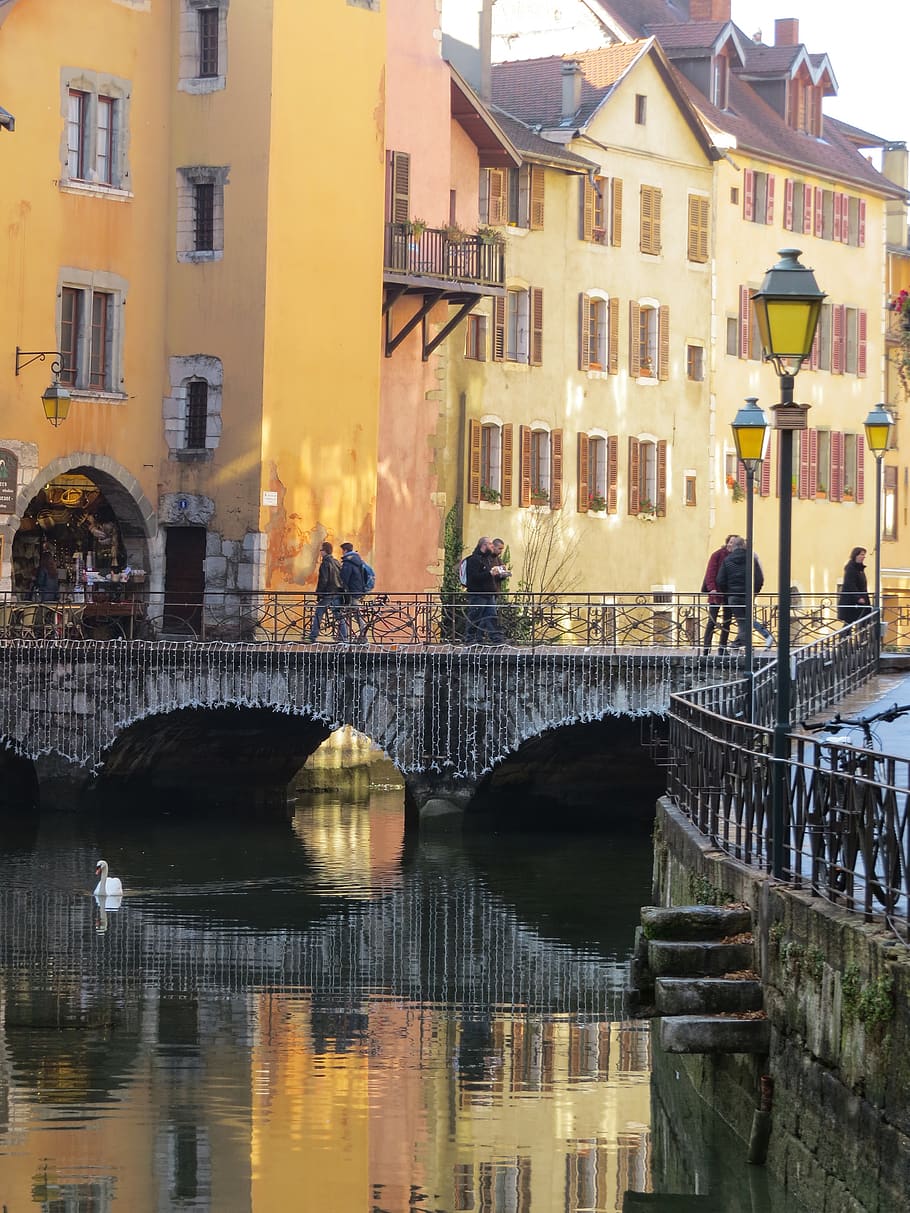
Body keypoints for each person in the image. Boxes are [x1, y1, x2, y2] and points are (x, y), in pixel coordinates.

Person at [717, 536, 774, 650]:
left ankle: (742, 642)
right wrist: (755, 591)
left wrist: (727, 591)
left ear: (734, 547)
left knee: (742, 619)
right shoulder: (751, 559)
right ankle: (744, 642)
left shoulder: (727, 560)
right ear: (743, 546)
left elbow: (720, 580)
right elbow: (759, 578)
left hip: (733, 596)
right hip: (747, 595)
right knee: (745, 618)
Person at [463, 537, 506, 644]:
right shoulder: (474, 559)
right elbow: (473, 577)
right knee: (475, 617)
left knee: (491, 617)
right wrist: (490, 573)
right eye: (491, 544)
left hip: (489, 594)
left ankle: (496, 639)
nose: (492, 546)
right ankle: (470, 639)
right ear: (484, 545)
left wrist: (500, 573)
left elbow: (492, 577)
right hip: (478, 594)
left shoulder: (488, 559)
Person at [701, 535, 735, 654]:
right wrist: (712, 589)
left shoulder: (736, 557)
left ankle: (722, 648)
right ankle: (706, 648)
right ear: (727, 543)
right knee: (712, 621)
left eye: (735, 543)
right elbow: (710, 573)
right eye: (731, 542)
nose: (732, 545)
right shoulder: (717, 555)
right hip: (716, 593)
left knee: (727, 621)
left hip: (729, 593)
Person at [308, 541, 348, 643]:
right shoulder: (336, 562)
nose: (320, 552)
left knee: (319, 612)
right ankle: (344, 637)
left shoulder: (325, 563)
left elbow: (323, 580)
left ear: (324, 551)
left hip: (328, 593)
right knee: (338, 615)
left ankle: (313, 636)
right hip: (337, 592)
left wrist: (319, 594)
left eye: (321, 550)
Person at [340, 541, 369, 643]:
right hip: (359, 590)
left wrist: (341, 587)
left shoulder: (348, 562)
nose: (342, 553)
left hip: (352, 591)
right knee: (349, 612)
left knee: (355, 612)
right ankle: (344, 635)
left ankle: (362, 632)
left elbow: (344, 578)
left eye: (342, 551)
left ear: (345, 550)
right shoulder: (358, 561)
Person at [837, 547, 871, 624]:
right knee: (849, 623)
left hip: (860, 601)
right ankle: (845, 636)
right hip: (851, 602)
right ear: (855, 555)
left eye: (864, 555)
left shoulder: (860, 569)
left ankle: (862, 635)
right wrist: (858, 597)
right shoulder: (851, 568)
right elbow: (850, 584)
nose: (863, 557)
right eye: (861, 554)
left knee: (863, 622)